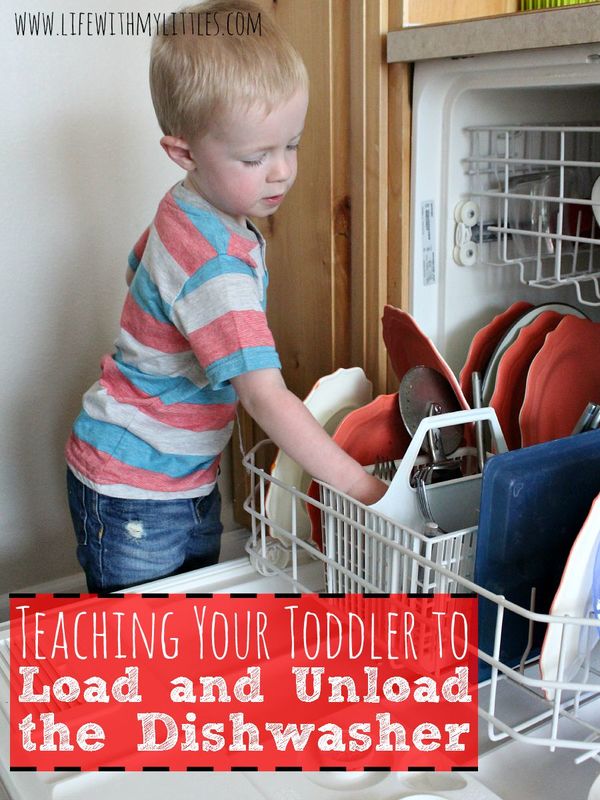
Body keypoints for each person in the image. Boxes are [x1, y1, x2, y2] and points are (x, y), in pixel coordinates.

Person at [65, 0, 386, 594]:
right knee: (140, 654)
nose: (282, 172)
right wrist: (365, 489)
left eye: (292, 143)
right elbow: (264, 398)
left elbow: (138, 268)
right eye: (254, 157)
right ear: (183, 152)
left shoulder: (186, 205)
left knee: (184, 631)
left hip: (178, 475)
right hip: (136, 492)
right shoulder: (213, 264)